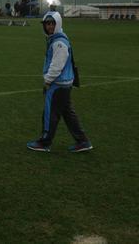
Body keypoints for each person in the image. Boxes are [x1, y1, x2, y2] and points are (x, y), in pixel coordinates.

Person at [27, 11, 93, 153]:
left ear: (57, 24)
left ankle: (45, 142)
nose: (49, 26)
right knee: (68, 114)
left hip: (58, 85)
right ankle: (83, 141)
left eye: (52, 23)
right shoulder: (56, 39)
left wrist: (48, 80)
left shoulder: (58, 42)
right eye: (47, 24)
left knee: (50, 113)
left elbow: (57, 65)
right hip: (64, 84)